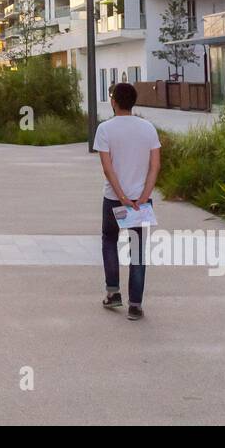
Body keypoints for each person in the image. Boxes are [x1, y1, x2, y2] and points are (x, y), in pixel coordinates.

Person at [93, 82, 161, 321]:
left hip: (114, 199)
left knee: (110, 241)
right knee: (138, 251)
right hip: (140, 202)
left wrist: (121, 196)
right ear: (133, 102)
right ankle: (135, 305)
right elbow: (155, 166)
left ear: (114, 102)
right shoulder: (148, 128)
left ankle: (113, 293)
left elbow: (107, 168)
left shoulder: (105, 129)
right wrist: (142, 197)